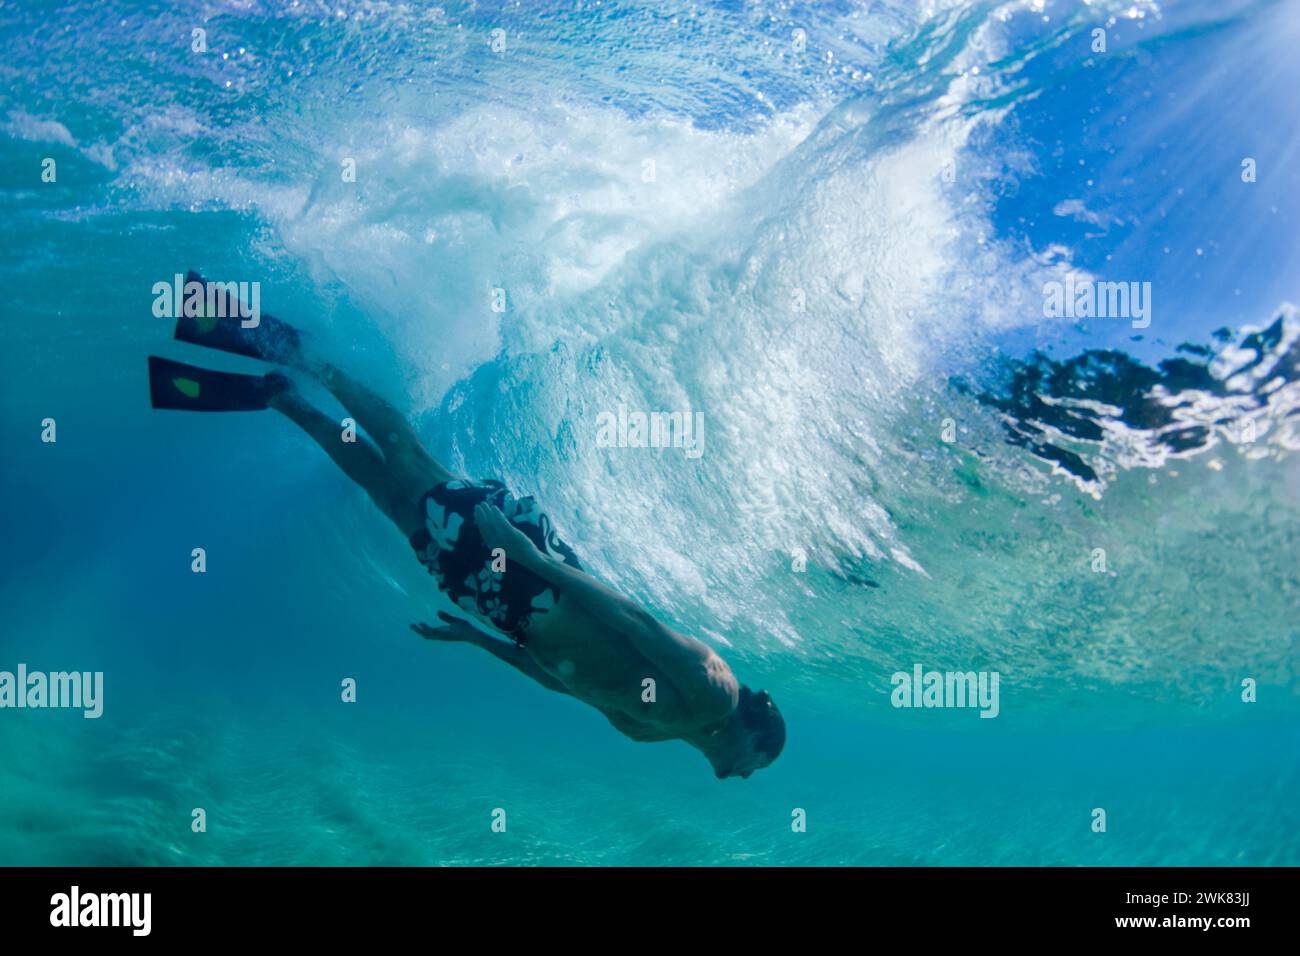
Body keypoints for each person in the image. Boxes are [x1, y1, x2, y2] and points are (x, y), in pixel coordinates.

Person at [148, 272, 785, 778]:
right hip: (532, 576)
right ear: (754, 738)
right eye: (757, 766)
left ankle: (281, 396)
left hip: (500, 610)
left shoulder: (659, 732)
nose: (744, 777)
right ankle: (312, 361)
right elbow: (632, 618)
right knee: (408, 461)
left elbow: (566, 684)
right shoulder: (713, 695)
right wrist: (525, 555)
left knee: (389, 499)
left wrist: (479, 643)